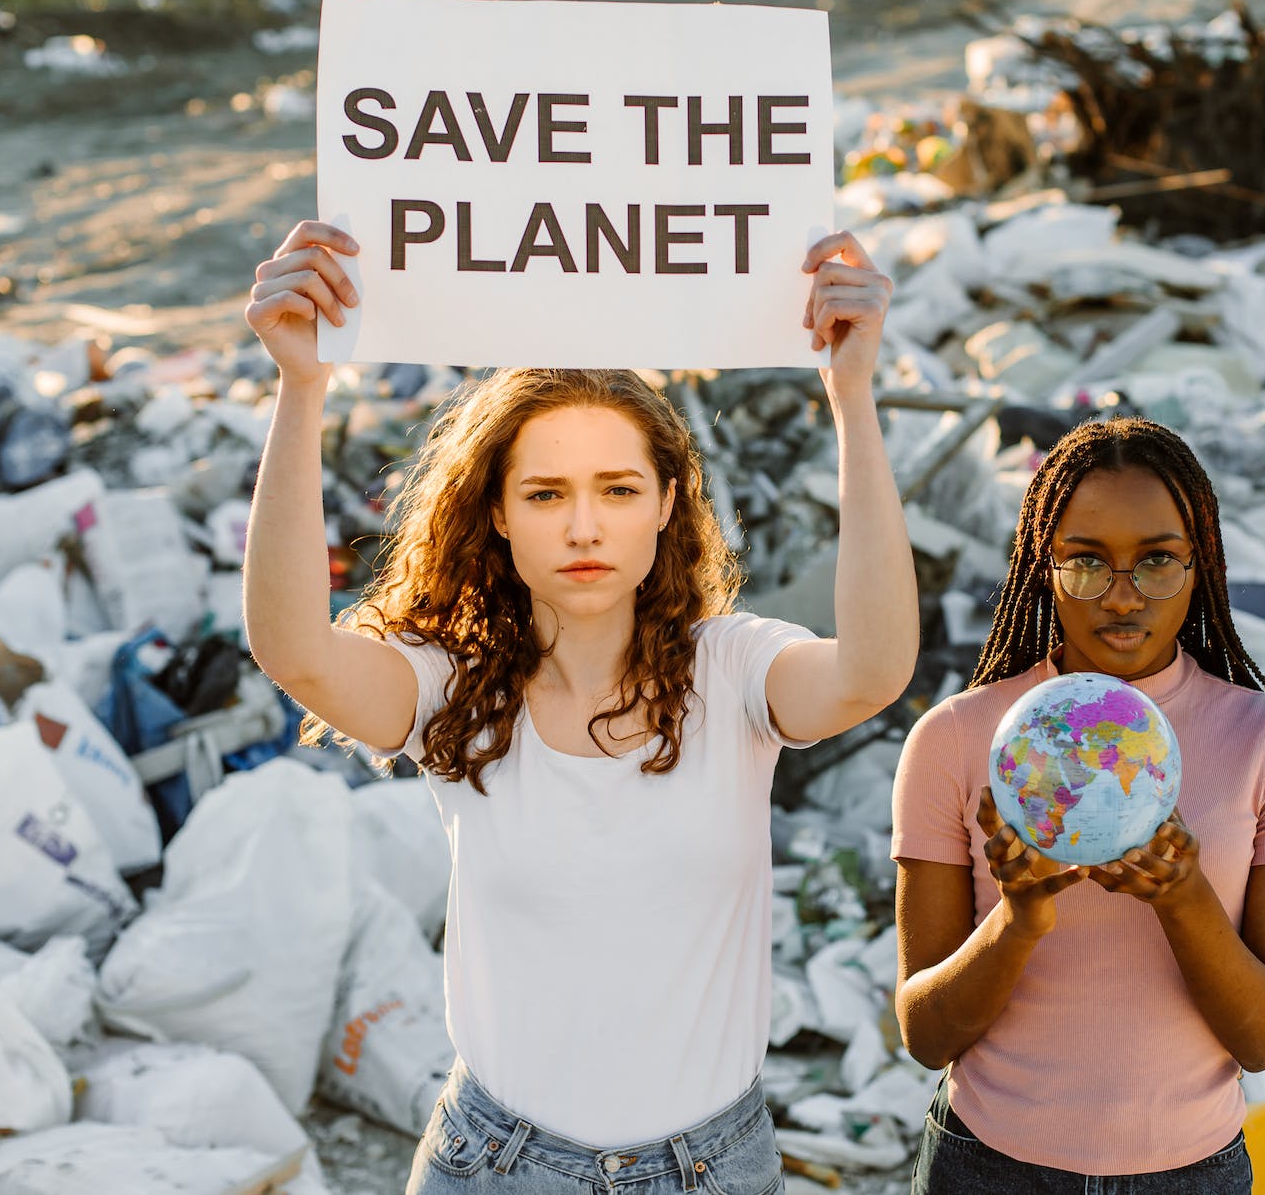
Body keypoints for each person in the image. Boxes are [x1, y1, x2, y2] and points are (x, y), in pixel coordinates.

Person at [241, 220, 918, 1195]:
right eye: (547, 493)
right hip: (500, 1166)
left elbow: (872, 670)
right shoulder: (451, 688)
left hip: (711, 1169)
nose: (587, 524)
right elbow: (293, 649)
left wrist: (851, 399)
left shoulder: (732, 670)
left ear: (665, 502)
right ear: (501, 516)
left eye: (617, 487)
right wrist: (301, 386)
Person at [891, 417, 1265, 1195]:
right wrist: (1017, 918)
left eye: (1156, 560)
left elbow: (1264, 1038)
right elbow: (926, 1035)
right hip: (988, 1168)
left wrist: (1183, 896)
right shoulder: (958, 740)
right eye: (1086, 563)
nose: (1123, 597)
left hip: (1190, 1172)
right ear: (1042, 568)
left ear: (1202, 566)